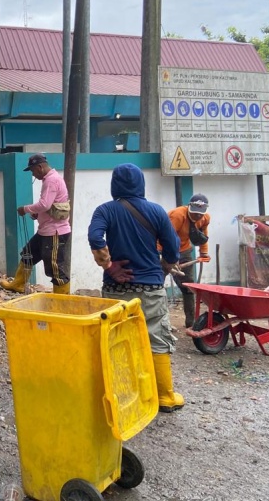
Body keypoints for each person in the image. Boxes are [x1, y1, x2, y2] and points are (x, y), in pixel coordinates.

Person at [87, 163, 184, 413]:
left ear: (114, 184)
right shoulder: (157, 211)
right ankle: (164, 396)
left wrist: (109, 267)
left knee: (117, 339)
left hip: (116, 290)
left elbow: (95, 237)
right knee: (156, 338)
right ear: (141, 184)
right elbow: (173, 249)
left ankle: (121, 392)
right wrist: (161, 269)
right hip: (150, 288)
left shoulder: (105, 210)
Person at [0, 153, 72, 294]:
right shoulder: (50, 179)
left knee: (54, 267)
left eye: (33, 170)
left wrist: (25, 209)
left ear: (40, 167)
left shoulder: (51, 180)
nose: (33, 174)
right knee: (29, 253)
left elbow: (44, 204)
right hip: (45, 230)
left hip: (55, 232)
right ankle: (18, 284)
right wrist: (37, 214)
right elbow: (50, 205)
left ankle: (62, 299)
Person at [168, 193, 212, 327]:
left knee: (188, 287)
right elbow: (165, 237)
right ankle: (160, 323)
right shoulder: (177, 216)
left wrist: (204, 253)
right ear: (189, 207)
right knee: (156, 284)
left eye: (200, 213)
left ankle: (191, 322)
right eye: (195, 213)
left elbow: (203, 236)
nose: (197, 216)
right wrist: (170, 257)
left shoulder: (205, 218)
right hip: (165, 248)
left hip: (185, 250)